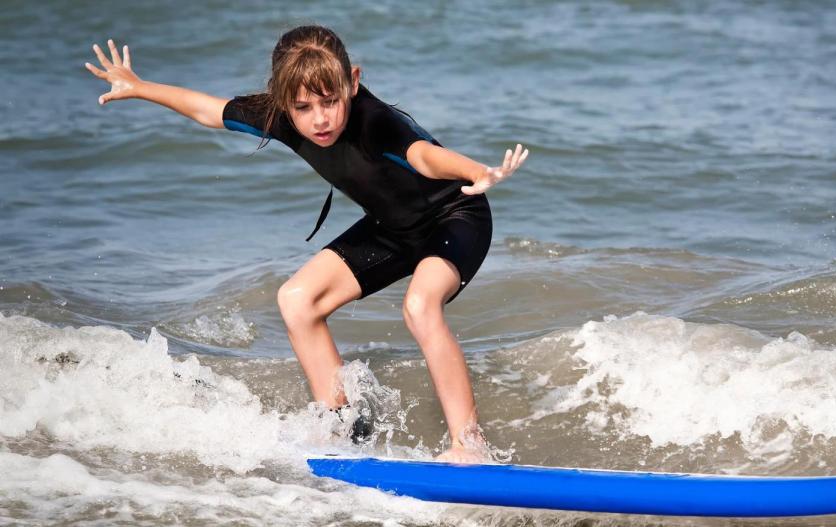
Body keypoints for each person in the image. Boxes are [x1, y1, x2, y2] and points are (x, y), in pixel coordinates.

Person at [85, 26, 528, 463]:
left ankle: (470, 446)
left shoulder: (374, 120)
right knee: (298, 300)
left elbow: (422, 156)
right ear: (283, 103)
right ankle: (345, 430)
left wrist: (474, 171)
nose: (320, 118)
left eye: (330, 101)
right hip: (392, 228)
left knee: (420, 305)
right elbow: (209, 110)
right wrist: (141, 88)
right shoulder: (279, 116)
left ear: (351, 82)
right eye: (304, 107)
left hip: (455, 216)